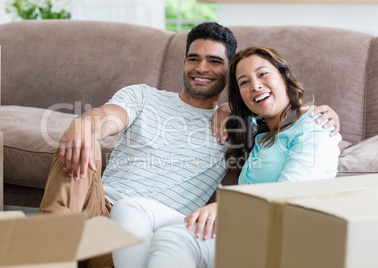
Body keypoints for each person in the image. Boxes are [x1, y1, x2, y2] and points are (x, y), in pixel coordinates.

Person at [38, 22, 339, 267]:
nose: (202, 68)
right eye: (194, 58)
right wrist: (85, 124)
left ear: (228, 72)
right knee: (77, 142)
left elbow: (281, 119)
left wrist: (320, 113)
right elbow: (107, 117)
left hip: (151, 232)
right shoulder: (144, 96)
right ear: (184, 62)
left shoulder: (241, 125)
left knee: (140, 219)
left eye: (215, 61)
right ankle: (49, 254)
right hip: (96, 209)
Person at [110, 46, 342, 268]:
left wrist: (227, 208)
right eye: (244, 82)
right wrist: (224, 108)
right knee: (129, 208)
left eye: (263, 74)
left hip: (277, 235)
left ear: (283, 76)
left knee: (175, 238)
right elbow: (242, 108)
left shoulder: (314, 125)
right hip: (242, 225)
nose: (255, 86)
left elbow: (293, 194)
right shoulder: (259, 132)